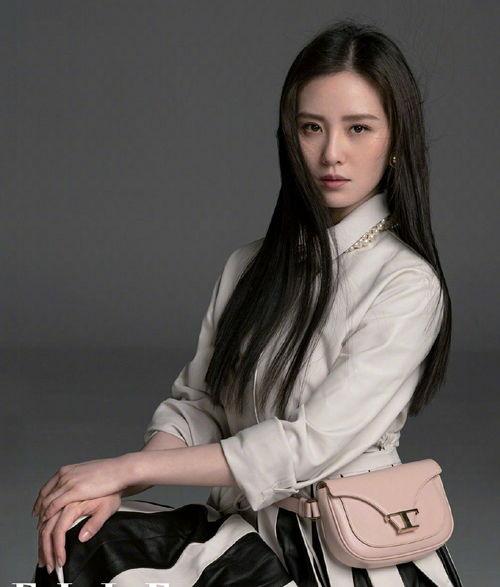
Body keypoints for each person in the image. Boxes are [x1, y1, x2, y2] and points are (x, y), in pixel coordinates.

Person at [32, 19, 464, 587]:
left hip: (343, 550)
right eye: (311, 128)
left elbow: (306, 446)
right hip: (242, 534)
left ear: (396, 140)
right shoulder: (249, 266)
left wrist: (127, 467)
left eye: (359, 128)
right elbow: (199, 406)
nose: (331, 153)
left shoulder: (406, 283)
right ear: (289, 137)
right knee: (78, 534)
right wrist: (119, 484)